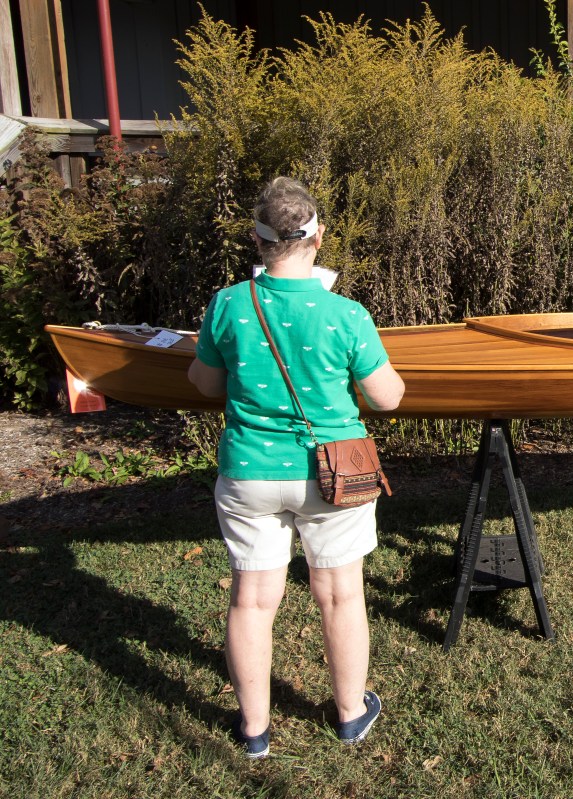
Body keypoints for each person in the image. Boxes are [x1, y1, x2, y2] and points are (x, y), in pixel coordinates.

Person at [188, 176, 404, 758]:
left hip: (249, 473)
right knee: (340, 596)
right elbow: (387, 397)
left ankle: (254, 730)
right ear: (319, 237)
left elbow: (204, 383)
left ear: (258, 239)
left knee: (252, 601)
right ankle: (350, 714)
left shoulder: (228, 304)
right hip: (335, 475)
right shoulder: (346, 314)